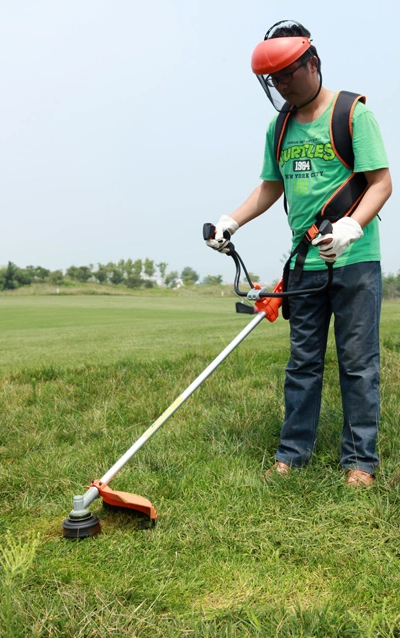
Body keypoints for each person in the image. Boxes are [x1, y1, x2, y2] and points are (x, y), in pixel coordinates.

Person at [206, 20, 392, 486]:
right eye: (275, 80)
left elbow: (381, 183)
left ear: (312, 63)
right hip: (305, 264)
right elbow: (271, 186)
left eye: (288, 74)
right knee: (303, 363)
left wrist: (352, 225)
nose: (282, 85)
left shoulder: (352, 113)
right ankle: (293, 454)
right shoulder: (281, 125)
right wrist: (231, 220)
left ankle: (360, 462)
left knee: (357, 363)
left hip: (355, 261)